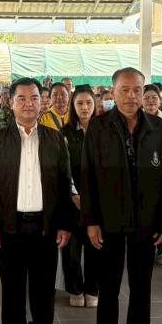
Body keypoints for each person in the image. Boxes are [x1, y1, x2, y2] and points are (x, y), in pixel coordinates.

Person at [81, 67, 162, 324]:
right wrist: (91, 221)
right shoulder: (99, 127)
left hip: (146, 221)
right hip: (108, 220)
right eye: (125, 90)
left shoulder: (158, 128)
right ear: (113, 92)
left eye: (137, 90)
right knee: (108, 286)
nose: (131, 96)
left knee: (141, 286)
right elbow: (87, 176)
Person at [0, 77, 73, 324]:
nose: (28, 104)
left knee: (43, 293)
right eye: (21, 98)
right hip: (10, 228)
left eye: (34, 98)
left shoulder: (55, 139)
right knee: (12, 293)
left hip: (46, 228)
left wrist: (65, 223)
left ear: (42, 102)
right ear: (11, 103)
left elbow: (64, 184)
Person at [61, 85, 100, 308]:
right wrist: (75, 195)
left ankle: (93, 288)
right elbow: (62, 169)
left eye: (88, 103)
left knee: (96, 245)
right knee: (72, 249)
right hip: (72, 201)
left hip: (98, 200)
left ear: (95, 104)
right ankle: (75, 289)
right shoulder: (65, 134)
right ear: (73, 106)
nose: (84, 107)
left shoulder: (104, 130)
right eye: (79, 103)